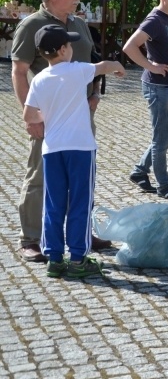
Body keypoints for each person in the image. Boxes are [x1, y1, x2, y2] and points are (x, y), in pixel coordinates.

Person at [10, 0, 111, 263]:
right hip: (50, 120)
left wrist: (94, 96)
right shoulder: (32, 25)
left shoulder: (79, 23)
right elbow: (18, 72)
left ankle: (80, 234)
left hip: (81, 117)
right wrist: (32, 118)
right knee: (40, 176)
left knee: (82, 177)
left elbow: (91, 65)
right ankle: (30, 238)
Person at [23, 25, 126, 278]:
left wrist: (47, 115)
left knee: (54, 204)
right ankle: (79, 259)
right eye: (69, 45)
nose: (71, 48)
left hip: (52, 149)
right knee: (80, 203)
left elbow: (28, 115)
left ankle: (55, 259)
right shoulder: (77, 70)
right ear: (62, 49)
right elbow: (103, 66)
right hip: (80, 148)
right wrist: (118, 66)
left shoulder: (38, 79)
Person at [123, 0, 168, 200]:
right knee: (161, 139)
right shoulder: (154, 20)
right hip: (158, 87)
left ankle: (140, 171)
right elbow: (129, 47)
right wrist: (151, 66)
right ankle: (164, 185)